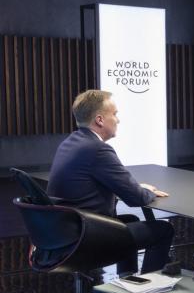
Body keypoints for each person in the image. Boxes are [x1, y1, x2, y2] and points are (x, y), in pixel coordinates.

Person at [47, 89, 174, 275]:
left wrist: (137, 188)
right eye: (114, 114)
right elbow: (136, 198)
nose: (118, 120)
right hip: (85, 235)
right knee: (163, 230)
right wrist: (147, 192)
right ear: (99, 120)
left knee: (130, 220)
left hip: (64, 231)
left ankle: (128, 280)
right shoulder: (98, 149)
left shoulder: (71, 142)